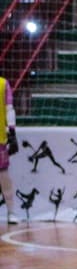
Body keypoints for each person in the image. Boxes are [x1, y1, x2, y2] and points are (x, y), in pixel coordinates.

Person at [0, 76, 18, 225]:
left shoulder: (3, 84)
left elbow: (9, 109)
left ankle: (11, 211)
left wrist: (12, 133)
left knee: (4, 176)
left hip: (0, 138)